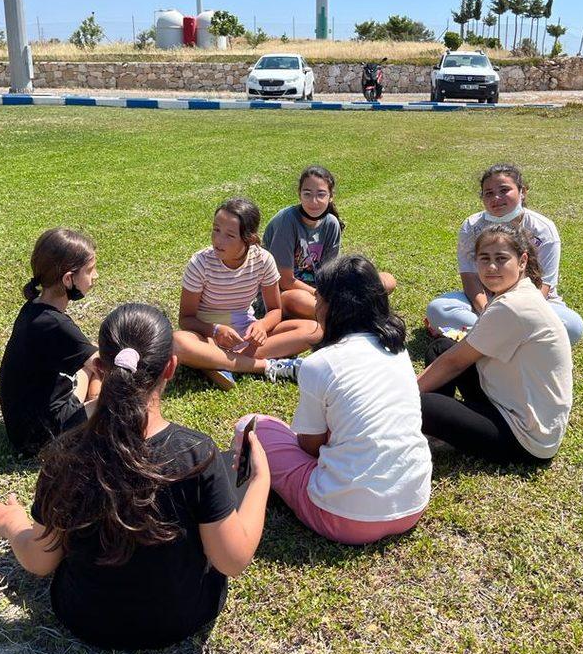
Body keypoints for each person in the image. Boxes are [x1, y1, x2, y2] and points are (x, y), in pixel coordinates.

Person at [0, 303, 271, 650]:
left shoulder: (65, 452)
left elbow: (40, 561)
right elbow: (231, 560)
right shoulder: (196, 455)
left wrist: (13, 524)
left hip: (83, 618)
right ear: (171, 367)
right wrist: (260, 480)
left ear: (100, 367)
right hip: (182, 617)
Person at [235, 255, 431, 545]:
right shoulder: (397, 350)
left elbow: (310, 447)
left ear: (330, 306)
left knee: (249, 427)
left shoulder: (320, 364)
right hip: (412, 505)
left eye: (318, 298)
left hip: (343, 518)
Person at [418, 224, 573, 465]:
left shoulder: (513, 305)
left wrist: (402, 394)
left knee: (418, 403)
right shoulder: (518, 291)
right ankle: (438, 434)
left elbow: (455, 363)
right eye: (484, 259)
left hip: (526, 438)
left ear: (522, 261)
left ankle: (435, 427)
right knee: (441, 348)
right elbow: (457, 353)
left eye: (501, 259)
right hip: (507, 401)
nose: (491, 267)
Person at [425, 163, 583, 345]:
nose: (496, 198)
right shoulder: (472, 226)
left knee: (572, 326)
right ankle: (514, 343)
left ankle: (482, 340)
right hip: (486, 302)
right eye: (489, 193)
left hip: (532, 305)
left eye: (504, 190)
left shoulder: (543, 229)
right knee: (438, 309)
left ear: (522, 191)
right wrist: (488, 312)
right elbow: (470, 278)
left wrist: (513, 316)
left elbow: (544, 286)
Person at [173, 198, 320, 390]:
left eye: (230, 235)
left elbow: (275, 310)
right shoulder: (200, 263)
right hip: (208, 336)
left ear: (249, 238)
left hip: (246, 337)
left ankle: (218, 362)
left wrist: (262, 326)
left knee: (314, 329)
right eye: (216, 230)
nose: (218, 240)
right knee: (178, 341)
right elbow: (186, 319)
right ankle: (264, 366)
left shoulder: (263, 260)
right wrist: (216, 330)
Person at [0, 228, 102, 455]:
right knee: (119, 398)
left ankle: (92, 400)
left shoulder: (34, 308)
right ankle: (94, 403)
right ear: (68, 279)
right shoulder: (56, 325)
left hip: (23, 426)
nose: (95, 276)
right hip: (43, 436)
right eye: (90, 270)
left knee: (91, 360)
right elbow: (109, 367)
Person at [263, 165, 396, 320]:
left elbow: (329, 272)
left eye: (321, 194)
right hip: (285, 291)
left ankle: (341, 312)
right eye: (307, 194)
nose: (314, 201)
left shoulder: (331, 223)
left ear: (330, 196)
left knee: (387, 280)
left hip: (319, 289)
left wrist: (333, 293)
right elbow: (285, 281)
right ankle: (350, 313)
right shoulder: (287, 220)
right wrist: (319, 295)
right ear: (299, 194)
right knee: (297, 299)